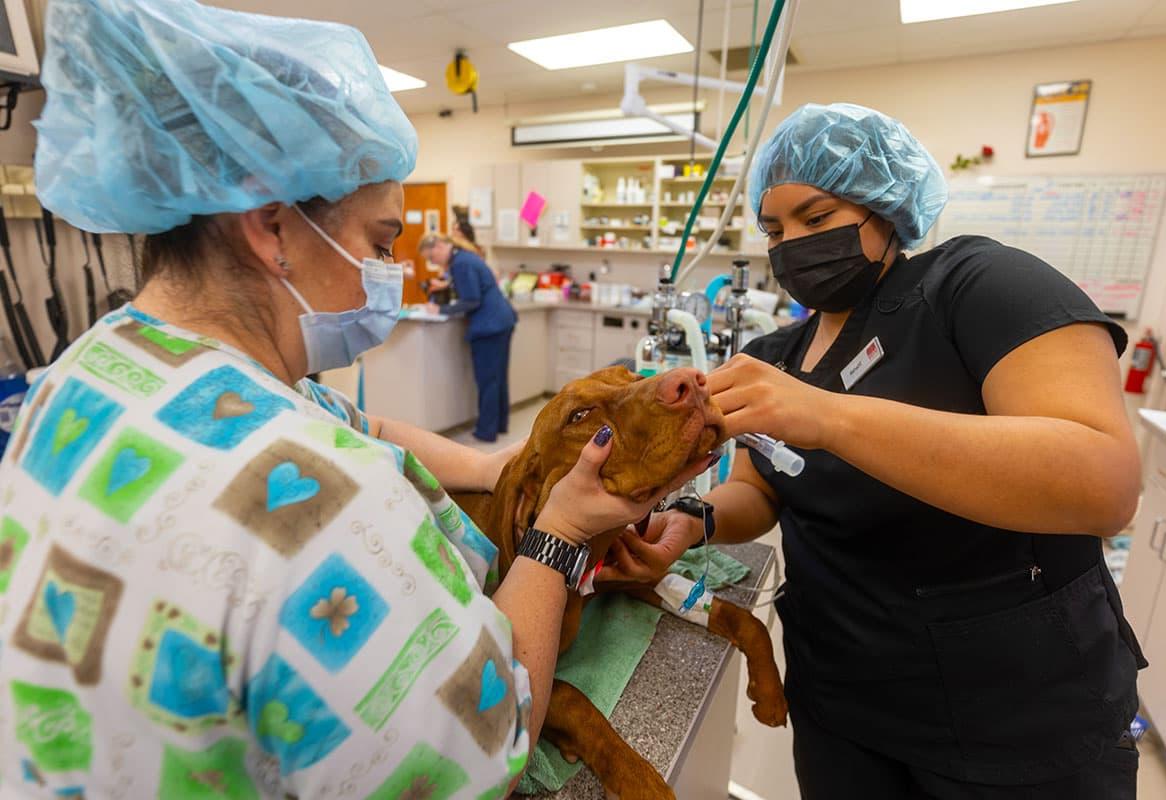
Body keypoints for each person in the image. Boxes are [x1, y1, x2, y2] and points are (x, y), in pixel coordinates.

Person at [0, 1, 705, 797]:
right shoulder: (319, 505)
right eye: (378, 243)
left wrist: (498, 462)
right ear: (272, 228)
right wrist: (559, 533)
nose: (388, 274)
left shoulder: (86, 374)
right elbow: (487, 749)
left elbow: (356, 421)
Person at [599, 103, 1146, 799]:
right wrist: (697, 520)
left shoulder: (978, 286)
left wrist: (829, 416)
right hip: (845, 701)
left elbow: (1103, 483)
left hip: (1018, 711)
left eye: (817, 218)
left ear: (885, 207)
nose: (791, 243)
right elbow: (765, 489)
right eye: (774, 229)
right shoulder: (777, 354)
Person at [420, 232, 517, 443]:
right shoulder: (466, 257)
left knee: (488, 380)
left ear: (438, 246)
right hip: (501, 320)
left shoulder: (461, 263)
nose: (433, 263)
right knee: (498, 378)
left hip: (489, 326)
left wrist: (441, 310)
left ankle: (486, 431)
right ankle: (499, 424)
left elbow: (472, 299)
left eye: (431, 258)